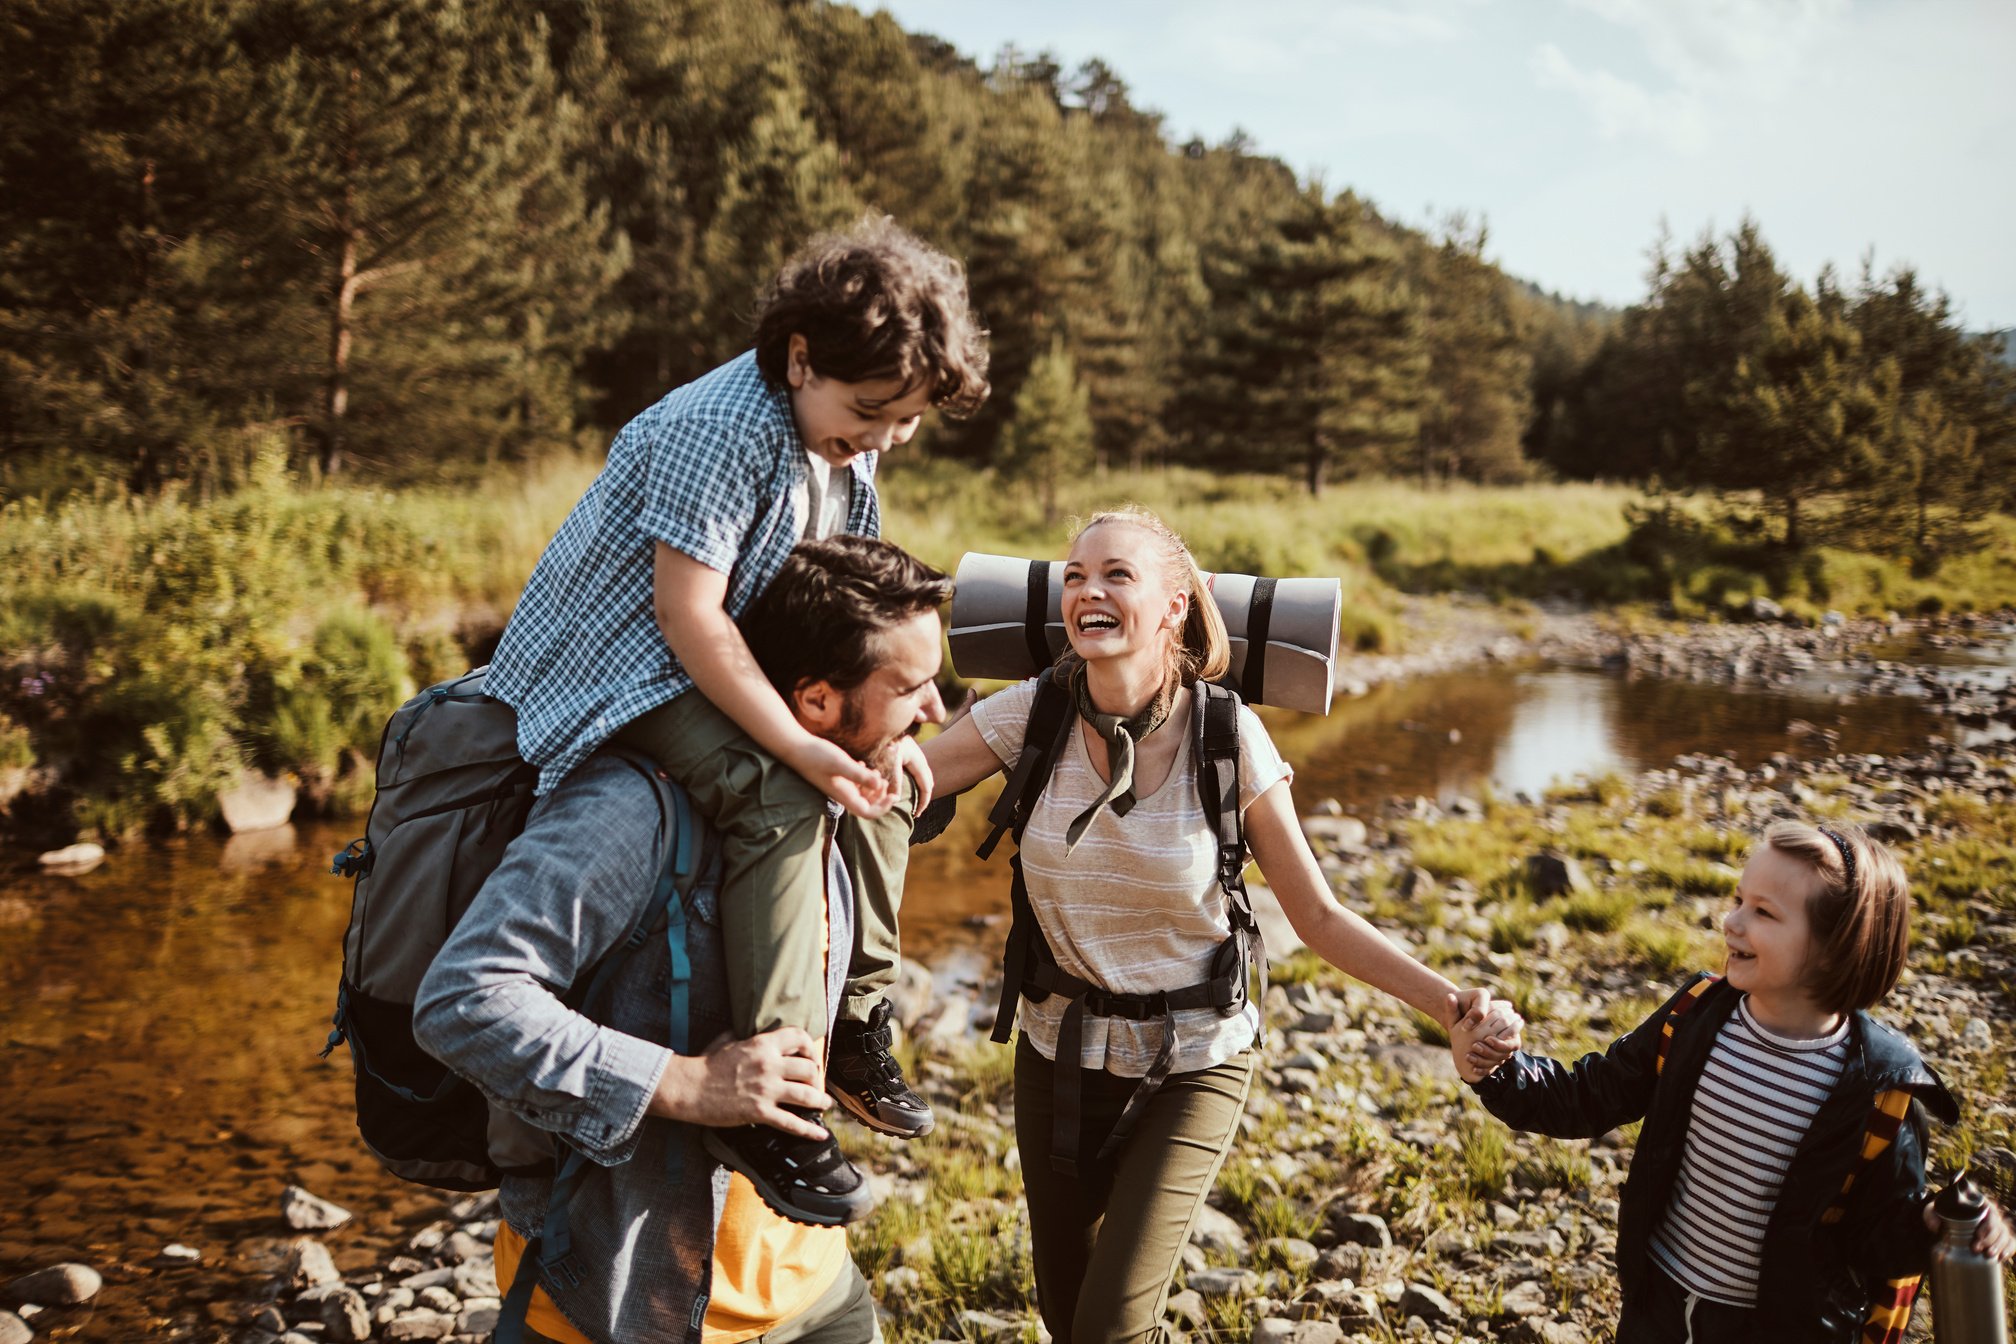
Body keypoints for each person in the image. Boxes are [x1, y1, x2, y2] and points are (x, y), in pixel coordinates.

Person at [484, 216, 989, 1217]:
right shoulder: (720, 428)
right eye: (873, 411)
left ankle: (854, 1017)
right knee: (779, 794)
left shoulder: (844, 442)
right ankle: (773, 1099)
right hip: (621, 673)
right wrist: (799, 743)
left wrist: (894, 730)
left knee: (878, 782)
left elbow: (851, 603)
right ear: (801, 357)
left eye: (907, 420)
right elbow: (688, 614)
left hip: (721, 662)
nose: (885, 437)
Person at [920, 506, 1520, 1343]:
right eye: (1077, 576)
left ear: (1174, 606)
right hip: (1055, 1054)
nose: (1088, 590)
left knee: (1106, 1332)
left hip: (1192, 1059)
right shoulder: (1034, 713)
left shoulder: (1227, 733)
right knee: (1071, 1321)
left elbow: (1317, 913)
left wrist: (1450, 1006)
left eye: (1117, 575)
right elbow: (902, 779)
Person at [414, 536, 952, 1343]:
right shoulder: (629, 814)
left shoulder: (842, 789)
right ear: (814, 702)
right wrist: (688, 1085)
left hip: (814, 1291)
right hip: (618, 1305)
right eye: (911, 688)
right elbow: (462, 1001)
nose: (936, 711)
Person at [1451, 820, 2015, 1343]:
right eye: (1737, 900)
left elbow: (1872, 1238)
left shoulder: (1881, 1092)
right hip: (1659, 1302)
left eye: (1763, 913)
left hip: (1776, 1328)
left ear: (1836, 946)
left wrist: (1931, 1224)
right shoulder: (1696, 1015)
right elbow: (1586, 1096)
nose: (1732, 921)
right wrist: (1498, 1068)